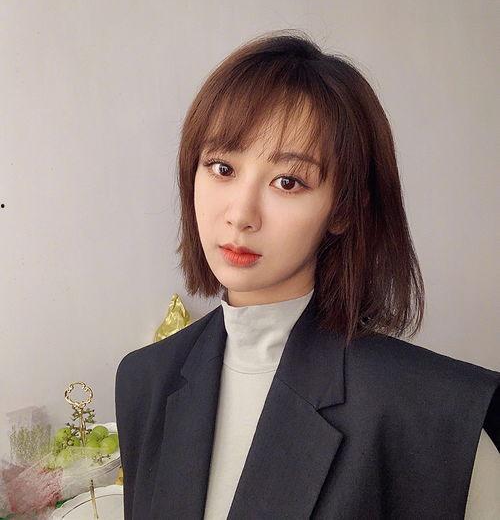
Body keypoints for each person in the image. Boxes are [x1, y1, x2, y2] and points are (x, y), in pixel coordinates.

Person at [115, 31, 500, 519]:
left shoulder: (440, 415)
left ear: (342, 209)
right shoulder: (144, 380)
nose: (241, 214)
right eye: (222, 168)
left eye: (288, 181)